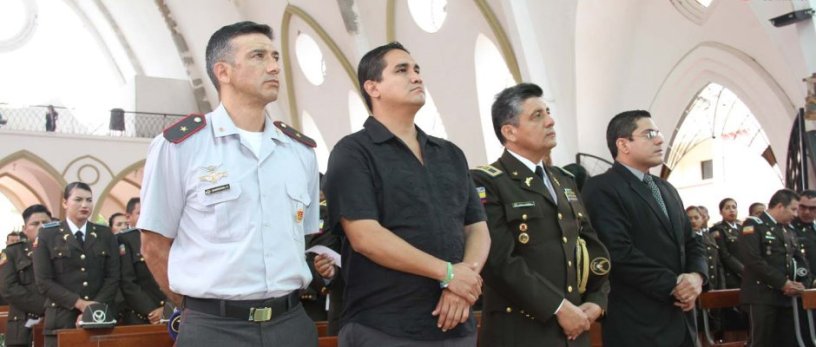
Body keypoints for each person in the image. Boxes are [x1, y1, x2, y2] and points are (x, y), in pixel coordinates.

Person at [138, 21, 320, 346]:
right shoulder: (180, 147)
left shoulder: (299, 152)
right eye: (258, 56)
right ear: (223, 72)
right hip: (214, 329)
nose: (274, 66)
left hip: (290, 324)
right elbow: (153, 245)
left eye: (275, 56)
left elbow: (301, 237)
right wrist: (198, 309)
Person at [324, 42, 490, 346]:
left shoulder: (450, 153)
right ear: (373, 87)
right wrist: (449, 273)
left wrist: (464, 279)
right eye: (402, 70)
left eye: (417, 69)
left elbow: (477, 227)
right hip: (386, 325)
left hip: (455, 322)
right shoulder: (353, 153)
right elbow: (366, 237)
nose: (416, 77)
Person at [471, 83, 609, 346]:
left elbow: (591, 246)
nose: (550, 121)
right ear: (509, 131)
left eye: (548, 112)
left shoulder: (564, 181)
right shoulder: (487, 182)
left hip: (574, 329)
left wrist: (596, 300)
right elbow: (499, 261)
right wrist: (558, 307)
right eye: (537, 116)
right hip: (522, 332)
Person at [582, 110, 707, 347]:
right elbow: (617, 252)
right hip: (638, 322)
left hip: (682, 320)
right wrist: (674, 285)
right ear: (623, 144)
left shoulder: (666, 189)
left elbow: (692, 241)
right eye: (649, 134)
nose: (660, 139)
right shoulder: (602, 188)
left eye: (658, 133)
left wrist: (696, 278)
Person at [33, 182, 120, 347]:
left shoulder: (104, 234)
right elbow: (43, 281)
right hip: (61, 319)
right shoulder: (48, 235)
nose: (85, 205)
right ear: (65, 203)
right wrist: (79, 303)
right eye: (78, 199)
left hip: (99, 319)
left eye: (89, 200)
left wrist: (93, 308)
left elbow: (113, 277)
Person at [738, 189, 809, 347]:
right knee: (763, 342)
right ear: (779, 206)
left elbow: (799, 259)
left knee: (787, 341)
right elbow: (753, 260)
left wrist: (803, 281)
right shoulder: (753, 225)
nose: (796, 214)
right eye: (793, 209)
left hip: (786, 297)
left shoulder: (787, 230)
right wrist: (783, 283)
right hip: (762, 296)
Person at [0, 204, 51, 347]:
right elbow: (8, 288)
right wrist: (47, 307)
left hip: (56, 322)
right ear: (25, 229)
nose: (41, 227)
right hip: (23, 327)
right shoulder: (12, 253)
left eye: (46, 223)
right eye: (35, 223)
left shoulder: (61, 252)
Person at [117, 196, 166, 325]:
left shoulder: (165, 237)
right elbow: (128, 282)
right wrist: (151, 310)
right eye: (140, 213)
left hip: (168, 313)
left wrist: (167, 308)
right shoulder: (125, 240)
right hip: (140, 315)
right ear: (128, 217)